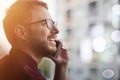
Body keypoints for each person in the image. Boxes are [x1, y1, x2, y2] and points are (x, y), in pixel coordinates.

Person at [0, 0, 69, 80]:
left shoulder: (5, 65)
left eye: (53, 24)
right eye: (46, 23)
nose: (56, 30)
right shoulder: (29, 76)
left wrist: (61, 66)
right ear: (21, 32)